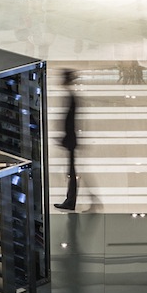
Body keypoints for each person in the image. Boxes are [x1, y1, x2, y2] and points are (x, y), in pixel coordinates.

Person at [56, 69, 80, 210]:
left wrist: (66, 138)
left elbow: (70, 122)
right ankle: (70, 200)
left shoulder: (70, 97)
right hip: (71, 139)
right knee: (71, 171)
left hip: (71, 140)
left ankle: (70, 201)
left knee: (71, 171)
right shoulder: (70, 96)